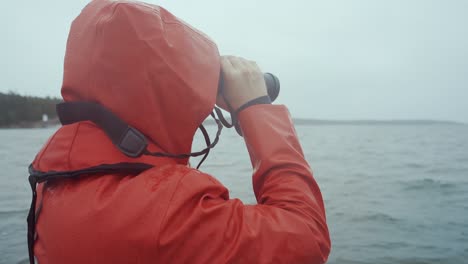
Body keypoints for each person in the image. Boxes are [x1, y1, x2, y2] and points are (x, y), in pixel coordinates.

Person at [27, 0, 330, 263]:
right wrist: (255, 107)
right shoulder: (165, 215)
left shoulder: (52, 184)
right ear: (164, 97)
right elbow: (307, 238)